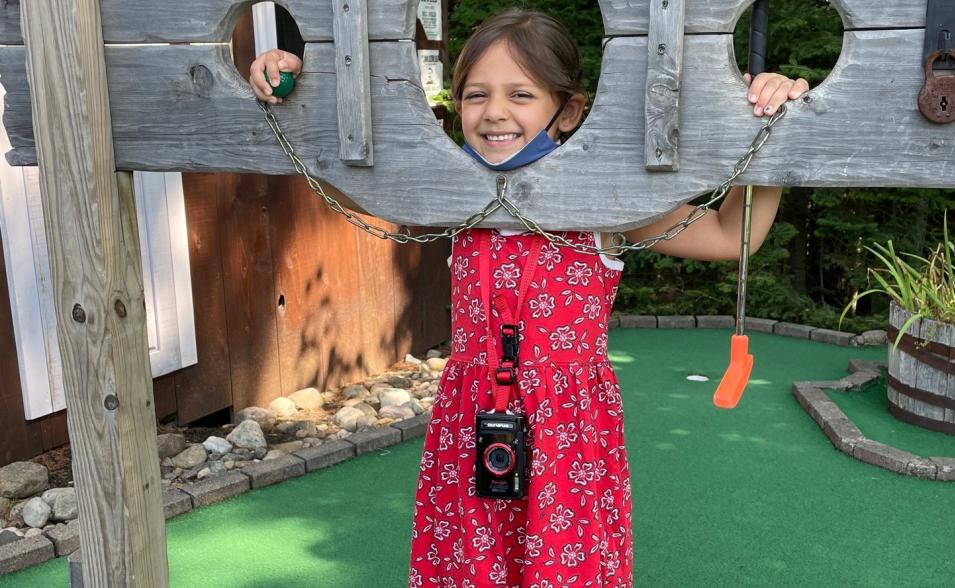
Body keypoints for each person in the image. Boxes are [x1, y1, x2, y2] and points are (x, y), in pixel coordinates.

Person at [250, 9, 808, 586]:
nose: (494, 112)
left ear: (566, 111)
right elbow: (345, 179)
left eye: (520, 93)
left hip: (568, 424)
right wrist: (297, 90)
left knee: (562, 561)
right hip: (471, 418)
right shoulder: (447, 189)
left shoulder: (606, 197)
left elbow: (727, 236)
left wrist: (769, 138)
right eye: (475, 95)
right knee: (472, 561)